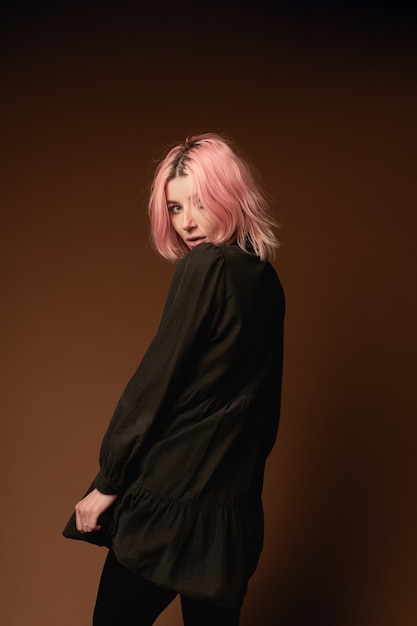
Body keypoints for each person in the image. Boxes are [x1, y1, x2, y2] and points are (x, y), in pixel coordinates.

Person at [66, 132, 285, 626]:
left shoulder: (206, 266)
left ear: (231, 196)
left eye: (200, 202)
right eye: (175, 206)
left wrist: (109, 480)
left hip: (172, 504)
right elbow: (264, 415)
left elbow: (156, 381)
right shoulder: (266, 282)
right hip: (230, 515)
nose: (187, 222)